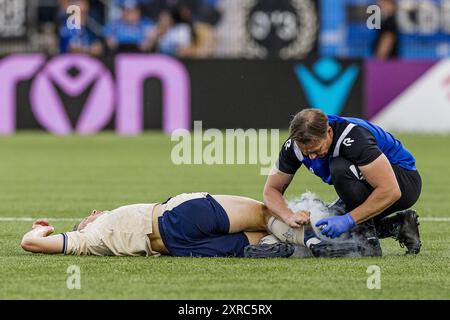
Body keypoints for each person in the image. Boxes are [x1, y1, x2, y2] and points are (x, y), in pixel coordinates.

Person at [263, 109, 422, 255]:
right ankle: (400, 225)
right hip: (366, 184)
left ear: (329, 132)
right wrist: (288, 216)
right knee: (324, 227)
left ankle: (368, 242)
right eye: (306, 153)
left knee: (339, 167)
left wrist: (349, 220)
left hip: (403, 181)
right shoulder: (293, 146)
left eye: (316, 150)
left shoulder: (354, 137)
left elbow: (390, 190)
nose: (311, 157)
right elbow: (271, 190)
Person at [21, 192, 307, 258]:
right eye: (88, 215)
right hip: (178, 215)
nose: (93, 211)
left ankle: (293, 246)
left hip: (179, 247)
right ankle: (313, 238)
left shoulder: (92, 245)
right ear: (81, 227)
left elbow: (32, 243)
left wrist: (42, 233)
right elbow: (30, 243)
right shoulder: (87, 236)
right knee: (262, 212)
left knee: (258, 239)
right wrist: (41, 229)